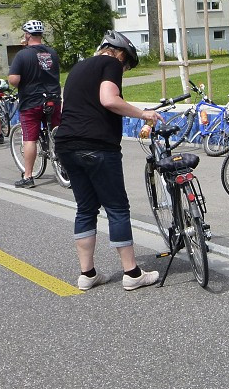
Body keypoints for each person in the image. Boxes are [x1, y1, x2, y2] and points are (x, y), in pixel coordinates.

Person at [53, 30, 163, 291]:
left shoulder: (78, 68)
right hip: (97, 145)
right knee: (116, 208)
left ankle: (87, 274)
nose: (122, 70)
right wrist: (142, 113)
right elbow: (108, 99)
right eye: (126, 65)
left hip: (67, 145)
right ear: (121, 54)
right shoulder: (110, 63)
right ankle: (132, 274)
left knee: (86, 208)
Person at [8, 20, 61, 188]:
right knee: (57, 133)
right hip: (53, 99)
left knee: (29, 139)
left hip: (31, 101)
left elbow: (14, 80)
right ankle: (68, 169)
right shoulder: (52, 53)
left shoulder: (22, 55)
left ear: (27, 35)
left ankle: (28, 176)